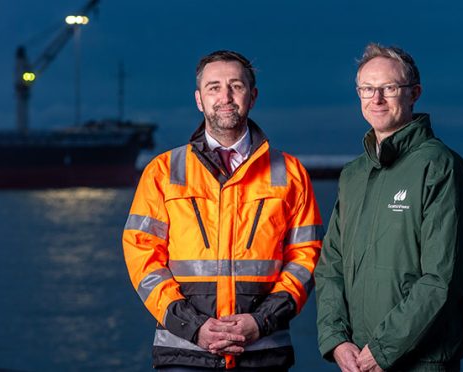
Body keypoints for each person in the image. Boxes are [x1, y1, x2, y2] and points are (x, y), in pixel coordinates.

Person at [123, 50, 323, 371]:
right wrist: (193, 326)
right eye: (214, 87)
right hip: (184, 354)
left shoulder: (290, 173)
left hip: (263, 352)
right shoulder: (163, 171)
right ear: (199, 100)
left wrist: (262, 320)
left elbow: (306, 259)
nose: (225, 97)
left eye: (236, 86)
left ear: (252, 96)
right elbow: (142, 258)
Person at [315, 43, 463, 372]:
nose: (376, 99)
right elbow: (330, 266)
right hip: (357, 360)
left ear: (413, 93)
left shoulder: (439, 166)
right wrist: (336, 339)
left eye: (389, 88)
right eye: (367, 89)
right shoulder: (353, 175)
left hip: (421, 362)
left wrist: (383, 348)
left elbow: (442, 279)